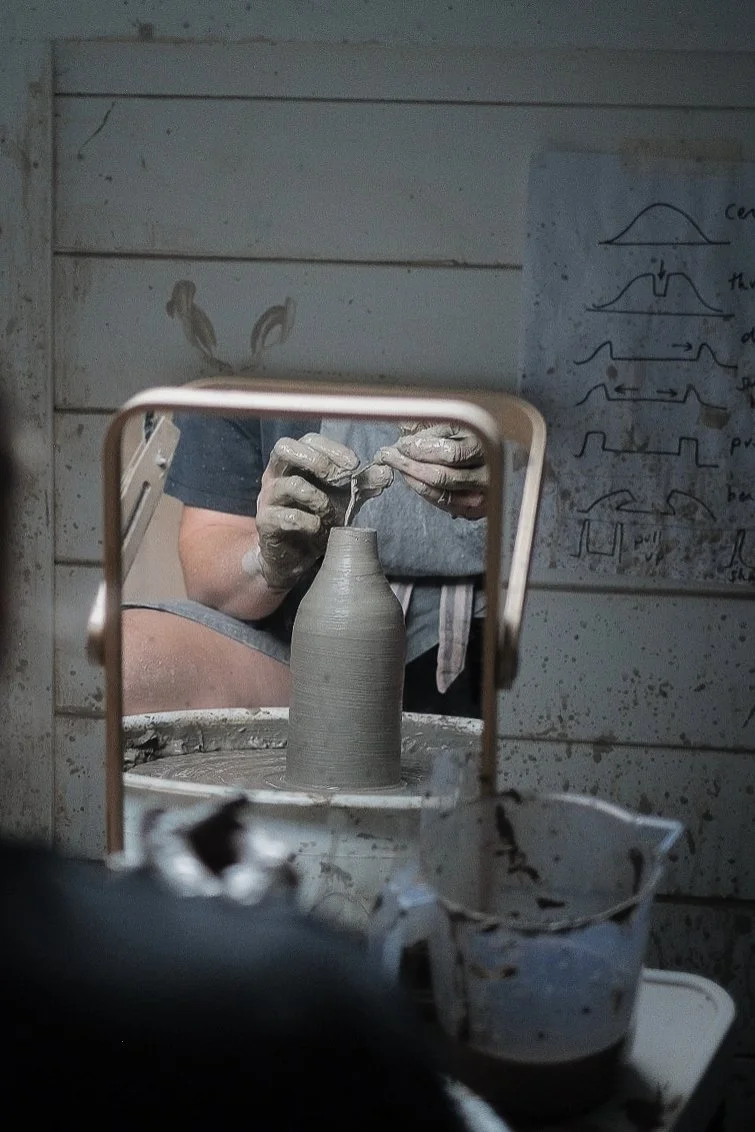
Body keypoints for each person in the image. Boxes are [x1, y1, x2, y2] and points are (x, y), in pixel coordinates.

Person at [0, 397, 469, 1127]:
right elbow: (215, 577)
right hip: (298, 661)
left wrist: (511, 506)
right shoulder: (257, 307)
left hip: (495, 658)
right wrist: (266, 555)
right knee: (133, 662)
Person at [123, 412, 488, 718]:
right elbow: (209, 567)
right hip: (307, 654)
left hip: (492, 632)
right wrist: (265, 560)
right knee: (123, 661)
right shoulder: (244, 340)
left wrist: (519, 475)